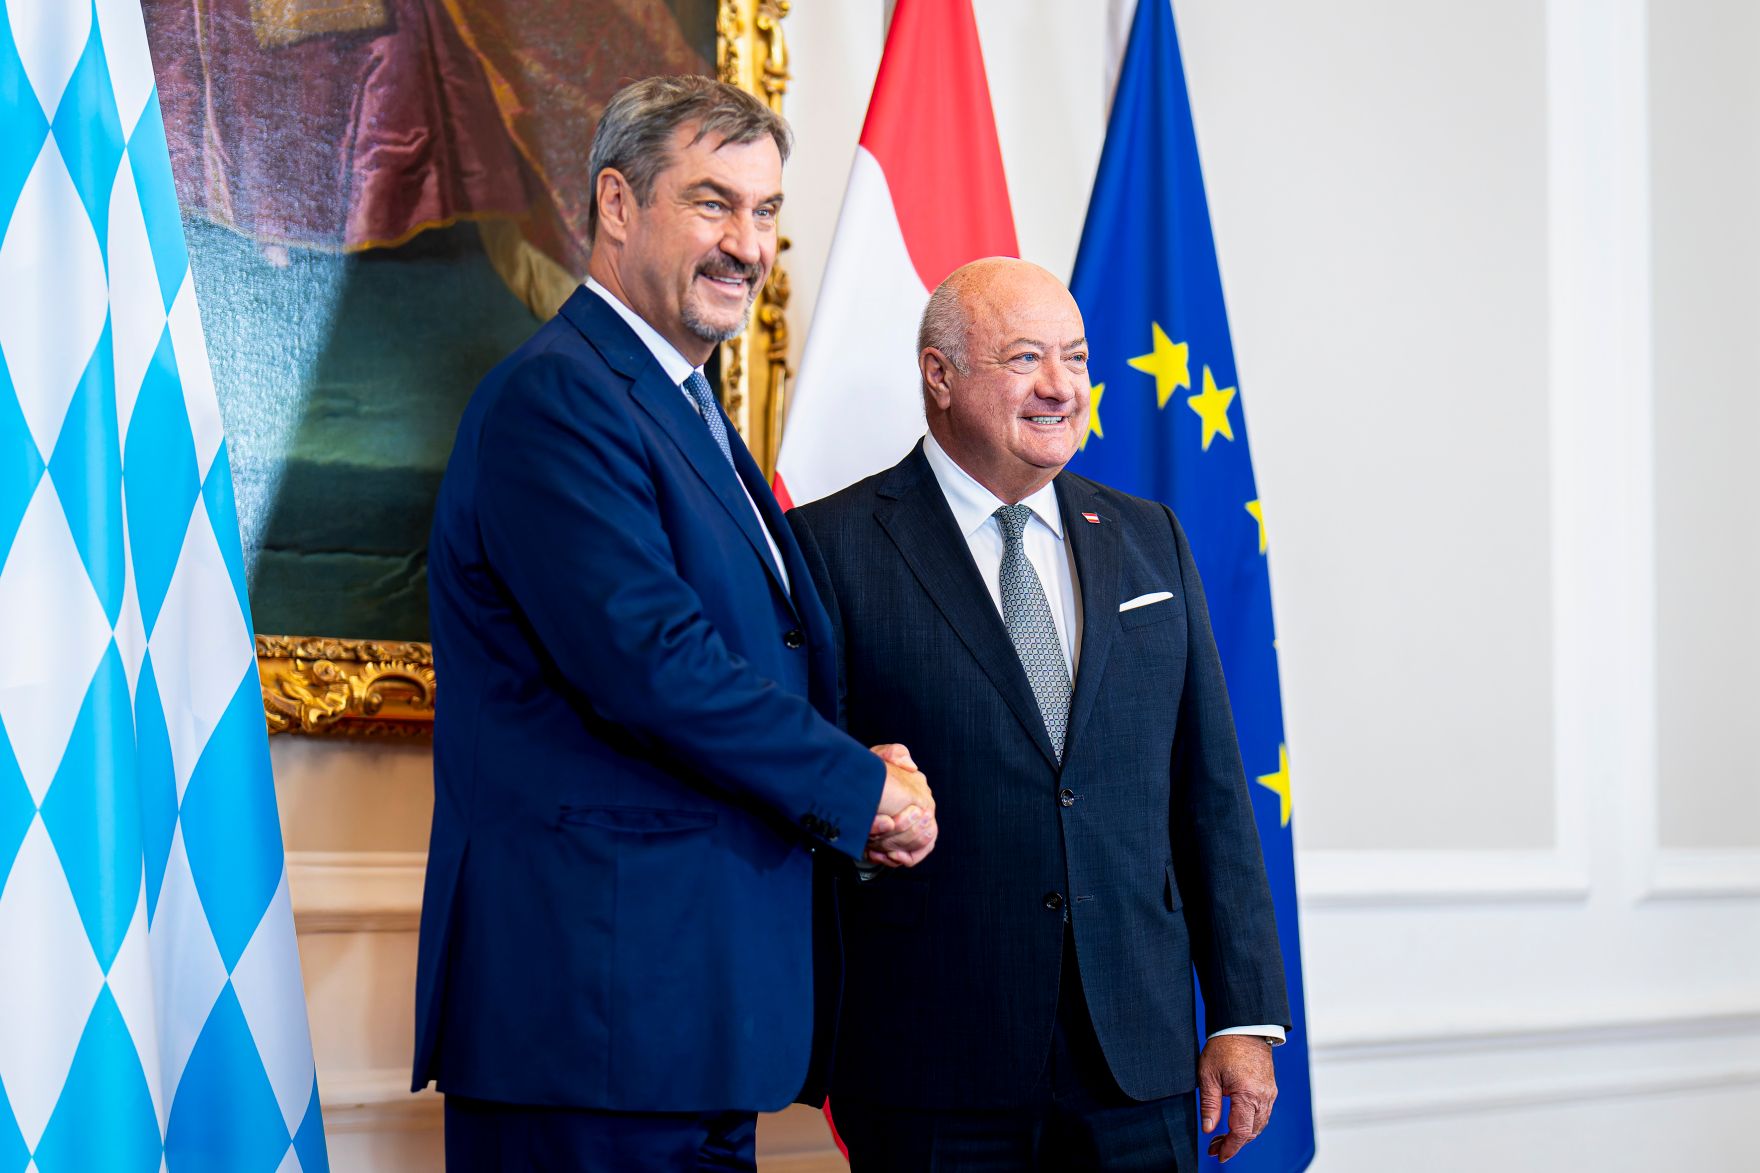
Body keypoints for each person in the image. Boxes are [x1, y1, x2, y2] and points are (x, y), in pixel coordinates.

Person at [411, 75, 937, 1170]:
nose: (746, 244)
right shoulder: (556, 399)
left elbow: (755, 657)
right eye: (711, 203)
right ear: (614, 203)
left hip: (687, 1024)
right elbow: (652, 664)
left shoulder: (686, 407)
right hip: (590, 1024)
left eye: (765, 211)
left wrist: (852, 761)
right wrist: (855, 787)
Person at [788, 258, 1290, 1171]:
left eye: (1076, 357)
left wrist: (1244, 1016)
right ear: (939, 375)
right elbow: (795, 783)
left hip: (1137, 1061)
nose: (1062, 387)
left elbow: (1210, 791)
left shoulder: (1152, 540)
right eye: (1025, 358)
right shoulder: (827, 548)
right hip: (930, 1063)